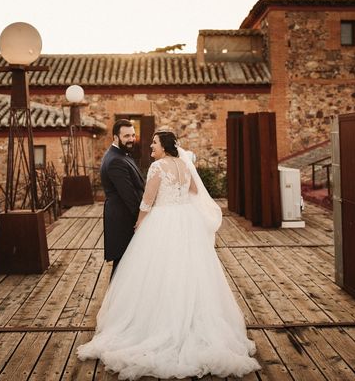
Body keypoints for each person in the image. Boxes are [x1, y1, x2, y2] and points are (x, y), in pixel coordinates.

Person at [78, 131, 260, 379]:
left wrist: (140, 223)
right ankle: (193, 324)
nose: (151, 145)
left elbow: (147, 200)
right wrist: (182, 203)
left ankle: (155, 326)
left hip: (162, 221)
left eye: (154, 142)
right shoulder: (185, 165)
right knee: (190, 271)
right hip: (186, 220)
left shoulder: (157, 167)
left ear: (164, 146)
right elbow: (195, 191)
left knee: (158, 272)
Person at [100, 119, 146, 277]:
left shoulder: (120, 154)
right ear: (115, 137)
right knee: (122, 267)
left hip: (124, 216)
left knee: (127, 265)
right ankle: (115, 301)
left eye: (133, 135)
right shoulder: (115, 160)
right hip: (124, 220)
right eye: (126, 136)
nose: (132, 139)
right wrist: (144, 218)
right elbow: (130, 197)